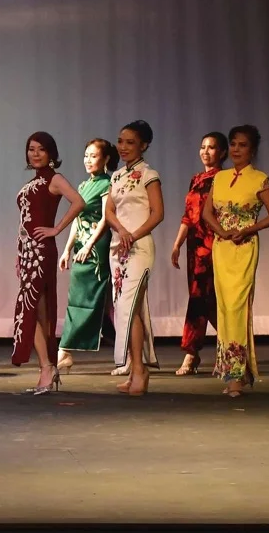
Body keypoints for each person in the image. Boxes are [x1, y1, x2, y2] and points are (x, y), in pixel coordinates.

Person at [202, 125, 269, 398]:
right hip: (222, 247)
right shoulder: (220, 177)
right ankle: (233, 371)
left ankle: (236, 375)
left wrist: (249, 229)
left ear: (253, 149)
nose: (236, 149)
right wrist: (221, 231)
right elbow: (207, 213)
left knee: (237, 307)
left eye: (243, 145)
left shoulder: (260, 179)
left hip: (244, 248)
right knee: (224, 309)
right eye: (234, 144)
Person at [10, 132, 84, 395]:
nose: (35, 154)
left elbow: (79, 202)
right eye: (31, 149)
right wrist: (20, 254)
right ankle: (48, 366)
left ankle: (46, 367)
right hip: (28, 253)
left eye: (41, 149)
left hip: (41, 253)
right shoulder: (33, 182)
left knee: (30, 309)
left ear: (51, 152)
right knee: (38, 311)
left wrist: (56, 229)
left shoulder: (55, 179)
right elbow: (25, 221)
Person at [104, 120, 164, 396]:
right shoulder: (116, 176)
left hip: (139, 248)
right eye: (120, 141)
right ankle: (136, 368)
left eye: (130, 142)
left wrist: (134, 234)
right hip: (118, 247)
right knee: (127, 310)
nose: (123, 147)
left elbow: (158, 213)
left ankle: (139, 369)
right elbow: (109, 211)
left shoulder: (149, 174)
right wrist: (122, 231)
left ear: (144, 145)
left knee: (130, 307)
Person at [167, 132, 227, 375]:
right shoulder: (196, 179)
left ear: (222, 152)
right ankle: (231, 344)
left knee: (202, 298)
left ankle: (192, 353)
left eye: (211, 147)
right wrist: (177, 244)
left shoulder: (223, 178)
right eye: (203, 147)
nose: (206, 151)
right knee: (204, 299)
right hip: (195, 246)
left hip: (213, 244)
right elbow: (188, 216)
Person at [57, 139, 117, 371]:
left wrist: (90, 245)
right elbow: (77, 219)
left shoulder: (107, 184)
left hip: (96, 248)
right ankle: (66, 350)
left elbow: (106, 218)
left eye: (93, 156)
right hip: (81, 247)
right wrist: (67, 248)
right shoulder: (83, 186)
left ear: (106, 159)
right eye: (86, 155)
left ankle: (65, 349)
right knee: (78, 298)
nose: (88, 160)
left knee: (92, 299)